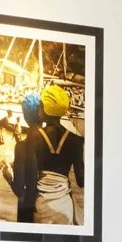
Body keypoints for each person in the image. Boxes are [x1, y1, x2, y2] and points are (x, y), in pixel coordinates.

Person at [11, 84, 83, 225]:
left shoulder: (35, 138)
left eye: (41, 106)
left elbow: (32, 181)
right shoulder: (76, 141)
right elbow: (81, 180)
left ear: (44, 110)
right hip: (65, 207)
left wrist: (26, 213)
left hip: (42, 206)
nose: (39, 109)